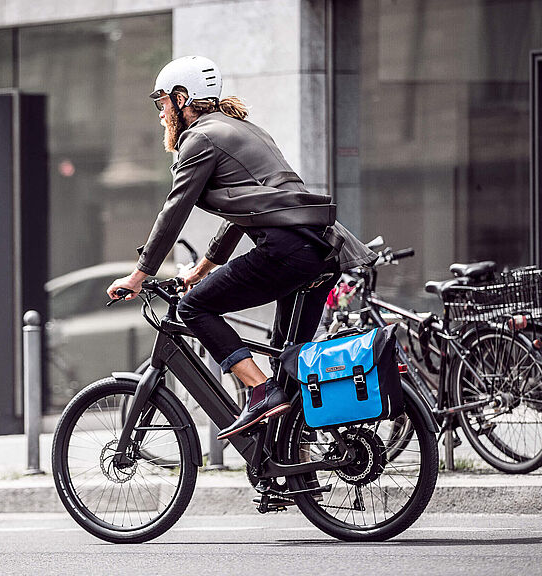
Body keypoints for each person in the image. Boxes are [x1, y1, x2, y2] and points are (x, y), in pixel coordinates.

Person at [106, 56, 376, 439]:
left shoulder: (199, 138)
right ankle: (293, 473)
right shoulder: (240, 129)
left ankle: (258, 388)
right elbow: (245, 209)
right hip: (319, 252)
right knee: (289, 361)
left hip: (288, 251)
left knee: (194, 306)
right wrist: (203, 268)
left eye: (163, 102)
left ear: (183, 99)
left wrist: (139, 274)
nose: (161, 113)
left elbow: (174, 210)